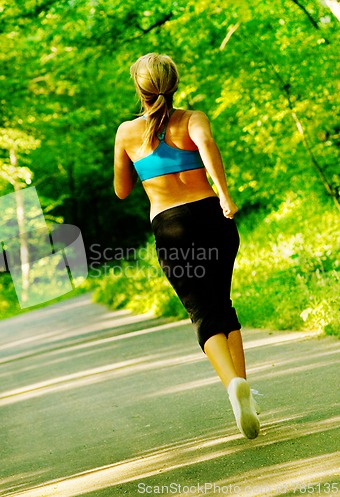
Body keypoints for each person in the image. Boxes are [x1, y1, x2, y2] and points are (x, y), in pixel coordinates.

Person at [113, 53, 260, 440]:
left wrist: (141, 161)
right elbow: (208, 147)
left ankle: (233, 386)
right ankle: (246, 393)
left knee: (202, 313)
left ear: (140, 89)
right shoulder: (193, 119)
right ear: (173, 84)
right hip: (214, 219)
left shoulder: (126, 132)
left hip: (171, 226)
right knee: (223, 305)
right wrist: (225, 196)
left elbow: (122, 189)